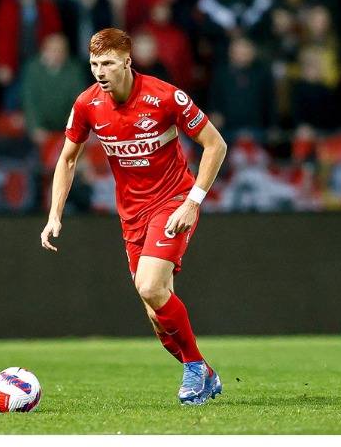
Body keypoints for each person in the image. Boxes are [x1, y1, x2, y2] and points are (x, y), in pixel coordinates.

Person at [40, 28, 228, 406]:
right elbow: (68, 158)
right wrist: (53, 214)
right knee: (157, 312)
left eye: (107, 63)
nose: (100, 71)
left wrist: (192, 202)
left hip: (173, 200)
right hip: (131, 214)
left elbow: (215, 145)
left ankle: (194, 367)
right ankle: (204, 371)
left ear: (127, 61)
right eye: (94, 64)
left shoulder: (164, 96)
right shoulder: (87, 104)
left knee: (150, 288)